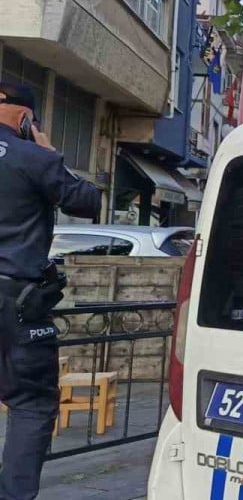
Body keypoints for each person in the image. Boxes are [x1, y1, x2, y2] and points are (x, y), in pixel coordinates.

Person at [0, 82, 101, 499]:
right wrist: (49, 152)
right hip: (14, 301)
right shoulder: (32, 158)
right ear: (25, 119)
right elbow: (87, 201)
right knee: (31, 403)